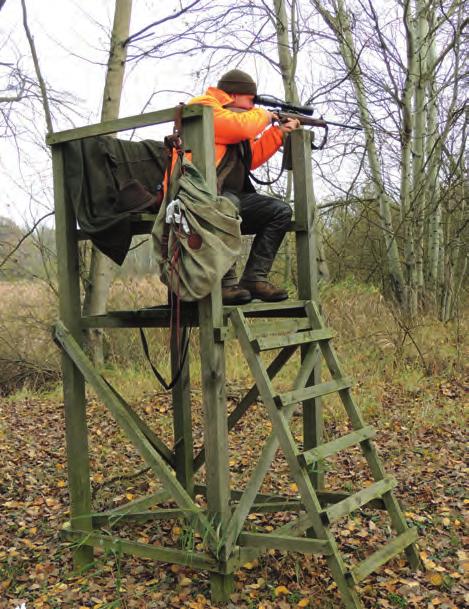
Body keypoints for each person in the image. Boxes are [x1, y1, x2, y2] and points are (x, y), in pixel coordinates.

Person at [186, 69, 300, 305]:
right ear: (235, 95)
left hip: (229, 195)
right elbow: (241, 128)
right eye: (251, 100)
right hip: (199, 194)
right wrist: (264, 116)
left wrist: (278, 132)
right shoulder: (203, 105)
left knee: (280, 211)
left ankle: (254, 279)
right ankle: (225, 283)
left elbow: (252, 157)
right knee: (228, 205)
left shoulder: (237, 118)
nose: (252, 105)